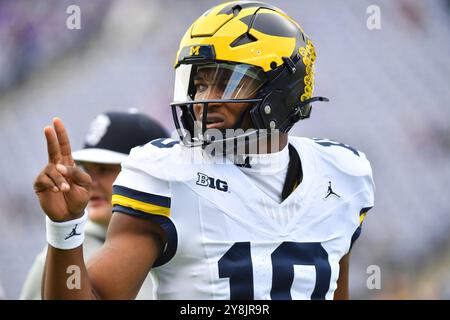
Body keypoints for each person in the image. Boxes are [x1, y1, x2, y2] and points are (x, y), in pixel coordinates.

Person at [34, 1, 374, 300]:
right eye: (199, 84)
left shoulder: (342, 175)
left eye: (224, 82)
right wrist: (64, 228)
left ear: (280, 89)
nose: (201, 101)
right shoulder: (165, 175)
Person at [23, 111, 168, 300]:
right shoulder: (59, 260)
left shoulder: (193, 237)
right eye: (86, 169)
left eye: (105, 169)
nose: (89, 181)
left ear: (152, 174)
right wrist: (65, 227)